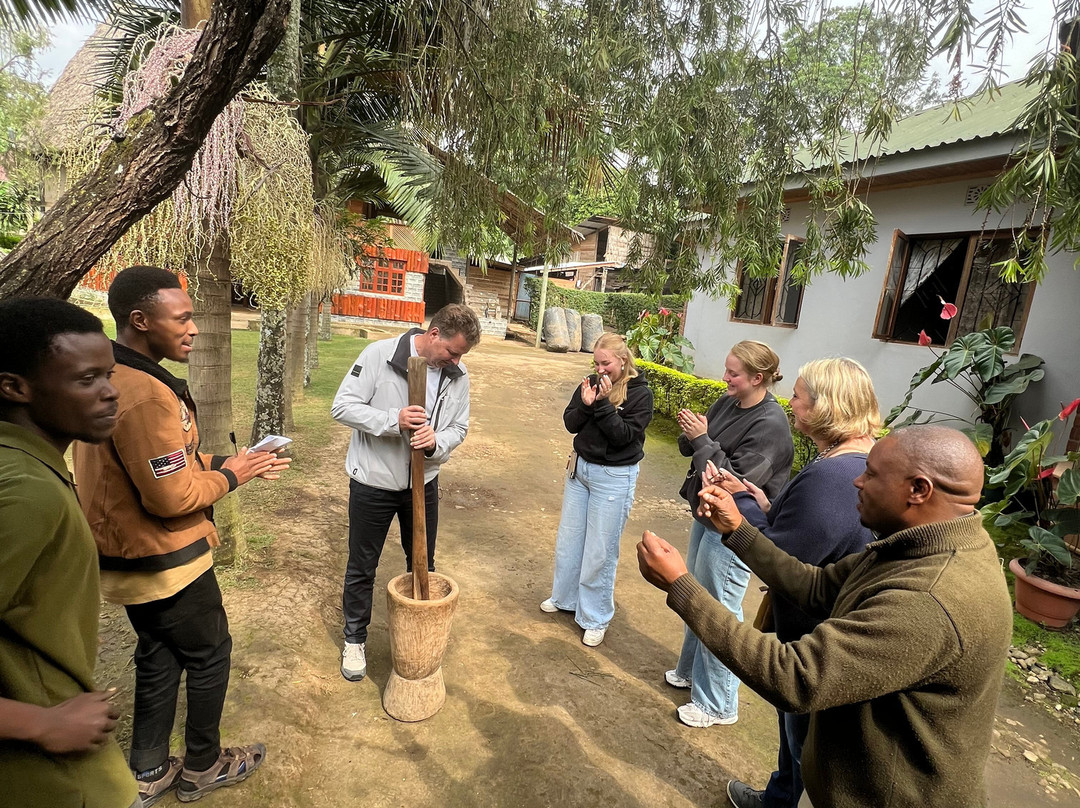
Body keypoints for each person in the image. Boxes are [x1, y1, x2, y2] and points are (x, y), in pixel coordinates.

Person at [637, 425, 1013, 808]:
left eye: (872, 474)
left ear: (918, 490)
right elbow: (817, 587)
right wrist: (739, 529)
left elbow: (796, 677)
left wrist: (681, 587)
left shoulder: (930, 598)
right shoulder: (915, 546)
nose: (857, 481)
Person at [73, 266, 290, 806]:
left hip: (129, 559)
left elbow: (166, 467)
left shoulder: (116, 373)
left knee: (160, 653)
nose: (194, 329)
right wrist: (235, 476)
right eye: (184, 318)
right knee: (210, 653)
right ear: (141, 321)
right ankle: (202, 764)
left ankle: (147, 769)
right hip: (165, 561)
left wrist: (230, 462)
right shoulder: (145, 393)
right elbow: (170, 497)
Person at [710, 359, 879, 808]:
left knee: (803, 736)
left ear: (825, 407)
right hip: (821, 626)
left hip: (816, 634)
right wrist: (755, 497)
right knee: (796, 736)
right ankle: (778, 796)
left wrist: (734, 508)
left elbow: (782, 561)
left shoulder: (832, 476)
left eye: (799, 398)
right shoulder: (852, 460)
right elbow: (804, 526)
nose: (791, 403)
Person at [0, 297, 139, 808]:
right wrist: (39, 722)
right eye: (86, 380)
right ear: (15, 386)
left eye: (109, 375)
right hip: (51, 778)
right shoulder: (24, 492)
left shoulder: (31, 468)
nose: (110, 394)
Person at [332, 303, 481, 681]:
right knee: (362, 565)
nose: (455, 361)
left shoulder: (456, 376)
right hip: (374, 484)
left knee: (421, 562)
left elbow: (459, 428)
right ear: (434, 335)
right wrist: (390, 420)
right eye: (452, 352)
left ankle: (418, 638)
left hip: (423, 485)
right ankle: (354, 640)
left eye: (460, 355)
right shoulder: (380, 356)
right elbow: (342, 407)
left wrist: (436, 442)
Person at [666, 340, 793, 727]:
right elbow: (694, 451)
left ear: (758, 378)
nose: (724, 378)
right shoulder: (728, 403)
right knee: (697, 596)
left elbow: (733, 483)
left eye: (733, 374)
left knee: (719, 608)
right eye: (726, 370)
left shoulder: (770, 425)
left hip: (737, 528)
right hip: (707, 516)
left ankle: (719, 703)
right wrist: (691, 435)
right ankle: (691, 672)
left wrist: (704, 440)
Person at [541, 333, 654, 647]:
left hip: (614, 477)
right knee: (570, 539)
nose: (601, 369)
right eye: (597, 362)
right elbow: (571, 422)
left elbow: (623, 436)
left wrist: (602, 405)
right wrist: (588, 405)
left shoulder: (641, 394)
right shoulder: (590, 382)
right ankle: (565, 598)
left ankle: (595, 617)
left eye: (606, 363)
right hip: (581, 470)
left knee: (600, 551)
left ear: (622, 360)